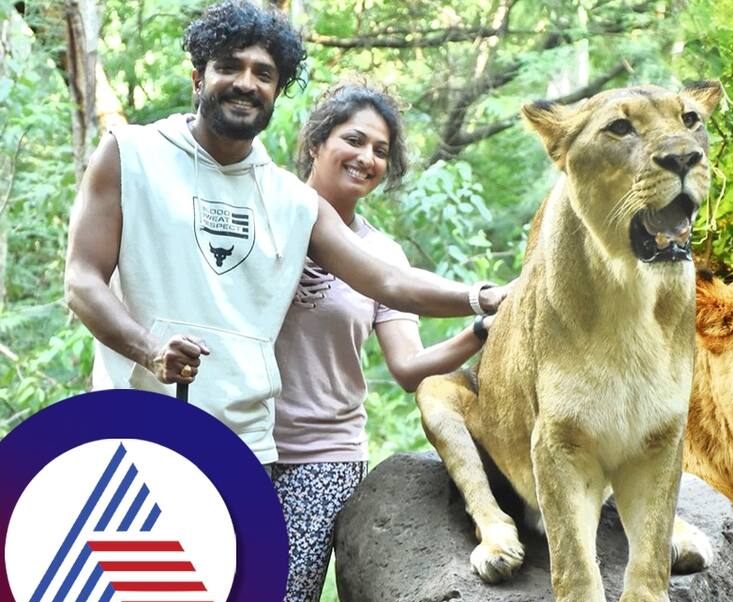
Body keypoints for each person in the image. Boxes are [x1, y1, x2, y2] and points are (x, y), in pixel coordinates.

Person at [64, 0, 507, 463]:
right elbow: (81, 280)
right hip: (133, 426)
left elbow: (388, 281)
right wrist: (151, 350)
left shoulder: (293, 201)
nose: (245, 83)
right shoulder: (130, 154)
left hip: (246, 448)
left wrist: (485, 297)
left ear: (277, 92)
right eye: (229, 66)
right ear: (198, 78)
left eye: (263, 74)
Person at [253, 83, 493, 602]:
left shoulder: (382, 254)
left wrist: (479, 332)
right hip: (237, 443)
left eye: (381, 150)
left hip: (322, 459)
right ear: (315, 142)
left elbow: (408, 367)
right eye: (353, 139)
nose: (367, 157)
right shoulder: (259, 216)